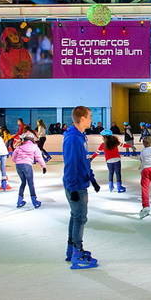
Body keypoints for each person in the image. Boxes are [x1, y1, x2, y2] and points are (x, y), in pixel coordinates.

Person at [63, 106, 101, 269]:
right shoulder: (73, 138)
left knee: (76, 216)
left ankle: (72, 250)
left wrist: (92, 179)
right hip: (75, 184)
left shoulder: (79, 136)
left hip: (79, 182)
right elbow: (71, 164)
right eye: (90, 116)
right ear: (82, 118)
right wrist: (72, 188)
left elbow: (83, 161)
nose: (91, 119)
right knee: (80, 218)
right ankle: (77, 253)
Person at [12, 132, 47, 209]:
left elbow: (13, 157)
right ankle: (35, 202)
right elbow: (39, 157)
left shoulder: (19, 147)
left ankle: (19, 201)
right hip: (27, 165)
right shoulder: (34, 147)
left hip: (18, 166)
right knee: (30, 183)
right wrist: (43, 166)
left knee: (23, 182)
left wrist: (18, 161)